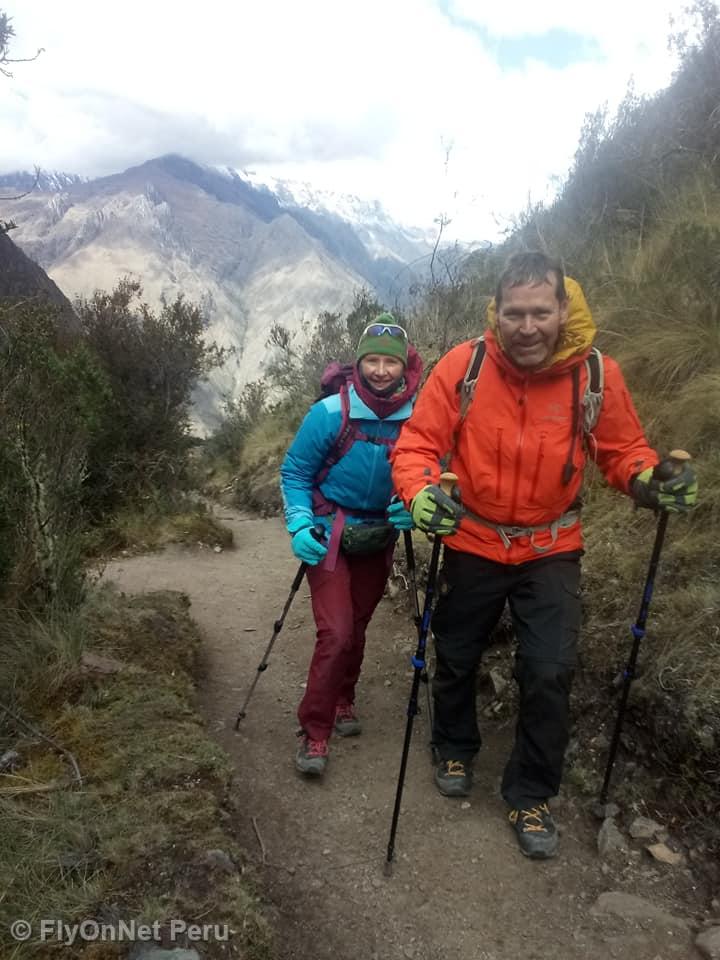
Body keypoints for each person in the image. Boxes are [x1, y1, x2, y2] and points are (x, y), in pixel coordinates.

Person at [390, 251, 698, 859]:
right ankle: (454, 743)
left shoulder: (594, 375)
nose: (526, 326)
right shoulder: (464, 365)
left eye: (539, 312)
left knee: (550, 670)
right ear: (496, 313)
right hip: (474, 538)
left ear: (563, 309)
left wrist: (648, 480)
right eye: (514, 313)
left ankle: (530, 792)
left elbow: (622, 449)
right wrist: (422, 494)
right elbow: (417, 445)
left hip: (552, 545)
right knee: (455, 652)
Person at [280, 314, 423, 777]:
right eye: (372, 361)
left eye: (390, 362)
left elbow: (429, 469)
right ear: (358, 363)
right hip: (329, 531)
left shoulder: (420, 417)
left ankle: (345, 697)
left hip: (380, 533)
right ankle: (315, 731)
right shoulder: (329, 413)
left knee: (357, 627)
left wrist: (413, 503)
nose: (381, 370)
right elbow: (295, 472)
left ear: (405, 366)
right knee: (337, 632)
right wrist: (300, 524)